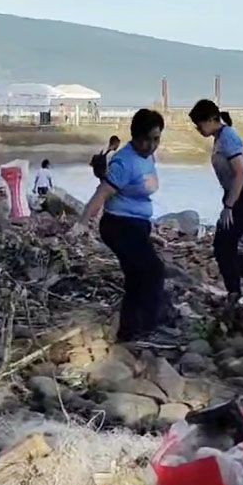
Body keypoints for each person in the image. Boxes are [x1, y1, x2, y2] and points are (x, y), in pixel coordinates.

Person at [73, 109, 165, 342]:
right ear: (135, 136)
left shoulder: (148, 157)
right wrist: (82, 224)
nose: (152, 145)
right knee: (153, 271)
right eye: (148, 139)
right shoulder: (125, 162)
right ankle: (149, 327)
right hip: (119, 226)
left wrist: (151, 230)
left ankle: (129, 331)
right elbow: (101, 194)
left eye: (157, 139)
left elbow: (139, 197)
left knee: (136, 278)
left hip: (137, 225)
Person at [189, 100, 243, 297]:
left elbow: (239, 173)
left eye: (200, 124)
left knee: (223, 246)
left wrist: (229, 206)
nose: (198, 129)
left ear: (213, 119)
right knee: (225, 245)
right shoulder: (220, 137)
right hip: (236, 195)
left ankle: (236, 292)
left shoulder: (228, 137)